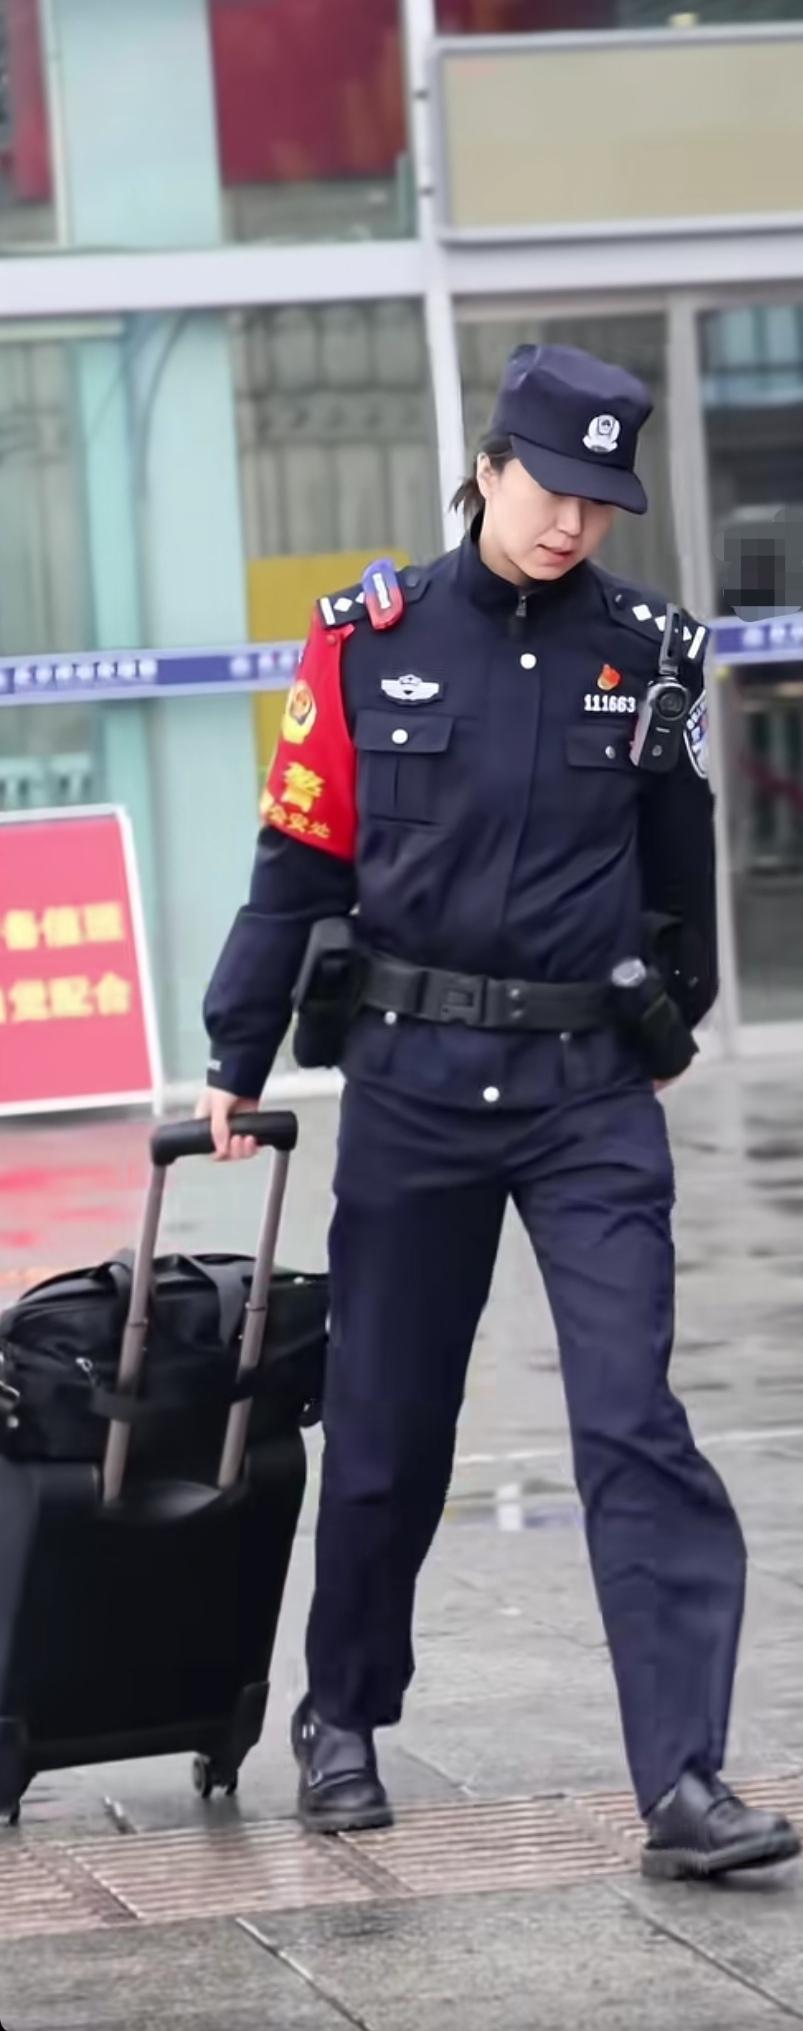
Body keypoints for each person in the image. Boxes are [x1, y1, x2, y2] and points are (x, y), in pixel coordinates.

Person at [197, 343, 800, 1881]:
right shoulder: (367, 642)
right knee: (389, 1423)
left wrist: (675, 1023)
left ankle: (684, 1780)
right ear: (488, 470)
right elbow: (298, 863)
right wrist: (237, 1053)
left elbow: (683, 862)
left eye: (602, 502)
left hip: (586, 1096)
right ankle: (343, 1716)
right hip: (412, 1089)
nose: (573, 523)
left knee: (633, 1421)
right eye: (552, 490)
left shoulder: (653, 656)